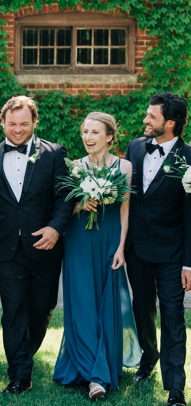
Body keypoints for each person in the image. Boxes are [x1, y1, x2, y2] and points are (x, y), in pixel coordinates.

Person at [0, 96, 70, 396]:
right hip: (5, 249)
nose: (18, 130)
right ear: (2, 122)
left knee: (42, 307)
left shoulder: (55, 154)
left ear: (34, 123)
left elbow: (65, 197)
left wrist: (56, 228)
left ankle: (25, 354)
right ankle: (19, 374)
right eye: (12, 124)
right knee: (13, 309)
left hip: (44, 246)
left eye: (24, 124)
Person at [53, 112, 140, 399]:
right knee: (83, 304)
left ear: (110, 137)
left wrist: (121, 247)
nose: (88, 138)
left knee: (107, 303)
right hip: (79, 240)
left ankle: (101, 371)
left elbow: (125, 210)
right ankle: (92, 374)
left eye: (95, 133)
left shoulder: (125, 166)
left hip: (109, 239)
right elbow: (65, 210)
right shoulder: (75, 167)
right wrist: (81, 204)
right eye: (85, 132)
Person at [124, 92, 191, 406]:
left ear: (170, 123)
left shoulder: (189, 160)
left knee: (173, 315)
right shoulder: (136, 147)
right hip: (136, 248)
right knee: (142, 309)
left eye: (152, 116)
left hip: (172, 253)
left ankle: (175, 387)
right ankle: (148, 358)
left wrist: (188, 263)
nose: (145, 120)